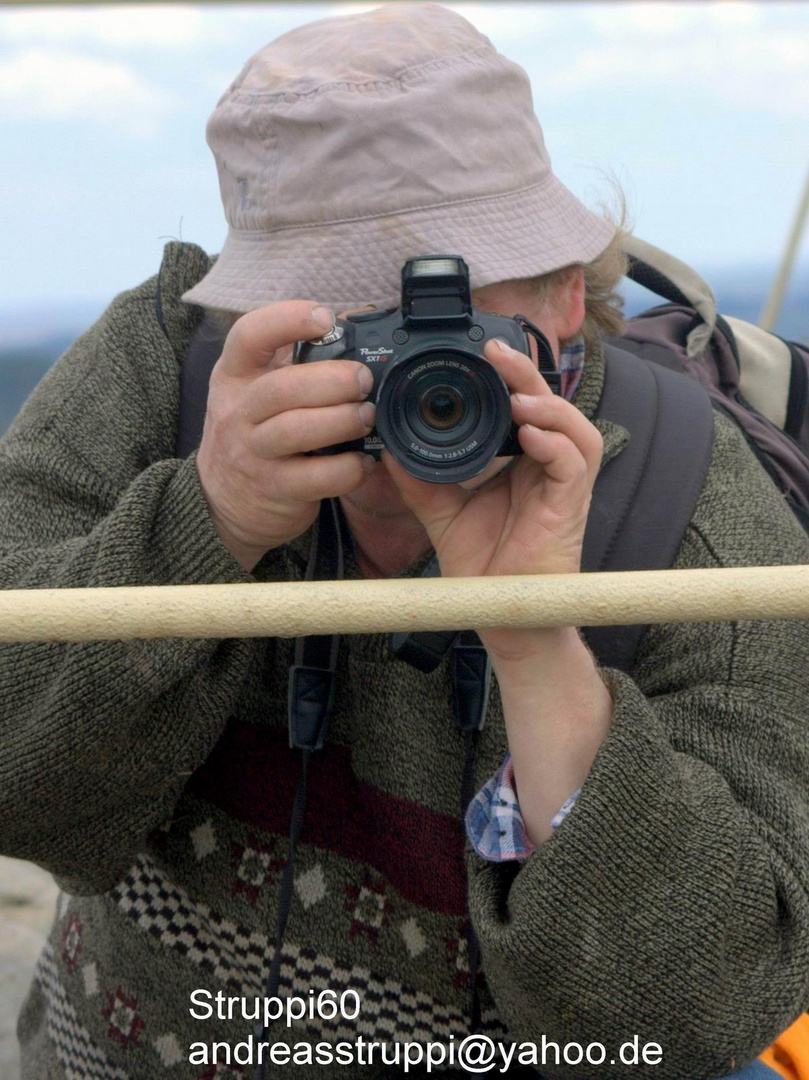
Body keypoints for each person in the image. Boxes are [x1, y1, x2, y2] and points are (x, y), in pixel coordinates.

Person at [2, 5, 809, 1079]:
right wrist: (208, 519)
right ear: (250, 309)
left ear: (565, 298)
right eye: (348, 335)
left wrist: (535, 643)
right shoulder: (168, 375)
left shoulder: (688, 511)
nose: (406, 386)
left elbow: (694, 1016)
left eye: (451, 328)